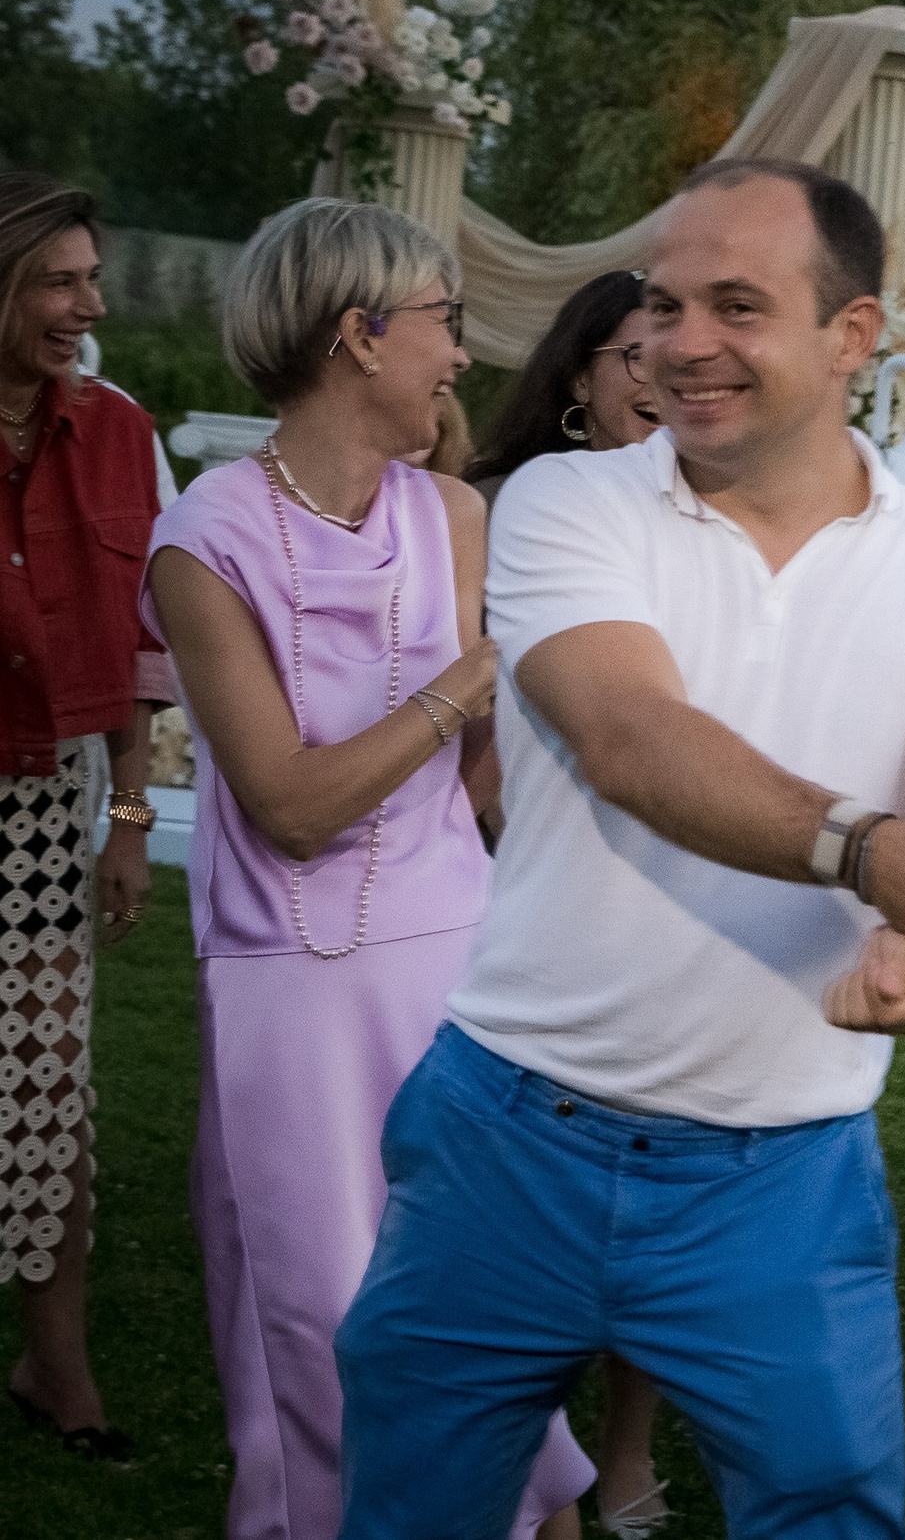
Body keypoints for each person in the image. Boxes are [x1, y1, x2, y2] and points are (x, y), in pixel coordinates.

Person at [331, 158, 905, 1539]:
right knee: (412, 1511)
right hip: (506, 1142)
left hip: (783, 1175)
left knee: (830, 1517)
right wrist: (870, 854)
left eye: (737, 305)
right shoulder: (567, 502)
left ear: (853, 333)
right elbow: (630, 738)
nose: (682, 342)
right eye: (663, 306)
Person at [143, 197, 591, 1538]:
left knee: (484, 1305)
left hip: (454, 965)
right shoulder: (204, 539)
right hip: (292, 983)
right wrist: (468, 680)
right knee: (322, 1323)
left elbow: (472, 784)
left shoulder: (452, 513)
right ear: (360, 333)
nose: (462, 352)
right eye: (445, 320)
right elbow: (287, 806)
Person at [460, 266, 676, 1538]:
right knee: (532, 1189)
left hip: (669, 884)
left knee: (657, 1169)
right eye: (632, 355)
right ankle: (523, 1442)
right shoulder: (507, 509)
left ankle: (628, 1447)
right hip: (514, 872)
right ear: (580, 376)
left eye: (672, 353)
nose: (658, 376)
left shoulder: (709, 513)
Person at [0, 172, 172, 1463]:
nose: (89, 306)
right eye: (59, 282)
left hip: (52, 800)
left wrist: (129, 813)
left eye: (91, 279)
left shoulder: (120, 431)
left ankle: (55, 1361)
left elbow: (140, 642)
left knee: (47, 1083)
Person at [464, 269, 658, 501]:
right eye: (639, 358)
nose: (665, 382)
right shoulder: (505, 500)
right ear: (580, 380)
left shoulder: (693, 504)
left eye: (680, 364)